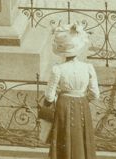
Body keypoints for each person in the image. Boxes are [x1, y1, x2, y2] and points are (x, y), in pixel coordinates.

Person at [43, 24, 99, 159]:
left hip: (63, 105)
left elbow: (49, 96)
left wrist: (57, 96)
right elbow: (95, 93)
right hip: (82, 104)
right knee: (82, 135)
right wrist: (84, 98)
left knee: (64, 135)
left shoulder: (58, 69)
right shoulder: (88, 68)